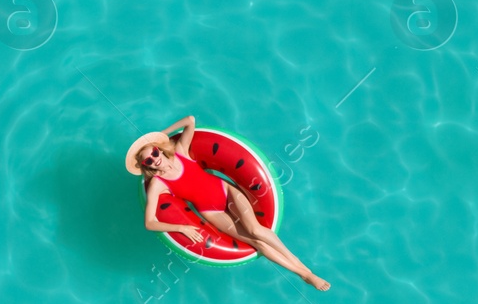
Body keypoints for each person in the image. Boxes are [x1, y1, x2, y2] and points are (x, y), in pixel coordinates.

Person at [126, 116, 330, 291]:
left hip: (227, 192)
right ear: (146, 166)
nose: (154, 160)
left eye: (154, 153)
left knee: (256, 230)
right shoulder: (157, 185)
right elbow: (150, 223)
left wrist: (161, 134)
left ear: (159, 150)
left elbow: (190, 120)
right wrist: (181, 227)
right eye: (148, 161)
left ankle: (306, 269)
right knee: (256, 243)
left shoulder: (181, 151)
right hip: (211, 211)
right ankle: (302, 274)